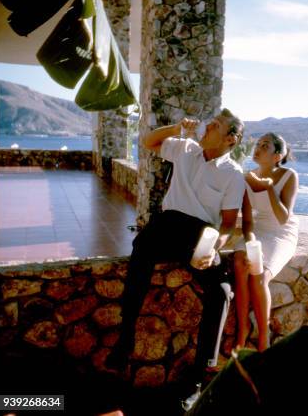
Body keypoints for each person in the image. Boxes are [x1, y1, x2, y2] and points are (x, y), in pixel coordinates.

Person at [104, 109, 245, 408]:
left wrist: (215, 248)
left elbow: (229, 224)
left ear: (230, 139)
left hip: (199, 236)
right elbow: (147, 141)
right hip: (168, 225)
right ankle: (125, 337)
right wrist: (178, 127)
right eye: (210, 122)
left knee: (221, 291)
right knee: (141, 251)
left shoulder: (233, 174)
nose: (207, 127)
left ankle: (199, 378)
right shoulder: (186, 148)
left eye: (216, 125)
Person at [233, 133, 299, 352]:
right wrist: (251, 245)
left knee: (259, 275)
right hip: (258, 231)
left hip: (281, 233)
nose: (258, 148)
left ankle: (264, 338)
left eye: (265, 145)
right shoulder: (248, 176)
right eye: (258, 144)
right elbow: (248, 221)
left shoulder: (289, 176)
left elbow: (283, 218)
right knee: (241, 262)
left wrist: (269, 188)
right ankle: (242, 329)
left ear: (277, 156)